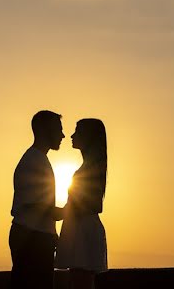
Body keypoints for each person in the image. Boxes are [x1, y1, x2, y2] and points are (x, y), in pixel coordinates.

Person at [10, 110, 65, 289]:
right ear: (44, 130)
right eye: (58, 129)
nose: (62, 135)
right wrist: (69, 212)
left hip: (35, 237)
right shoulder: (35, 161)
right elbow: (37, 206)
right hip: (32, 239)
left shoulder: (37, 159)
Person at [55, 118, 108, 289]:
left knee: (80, 281)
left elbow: (89, 205)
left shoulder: (90, 169)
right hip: (82, 228)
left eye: (77, 131)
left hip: (82, 230)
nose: (72, 135)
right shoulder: (91, 167)